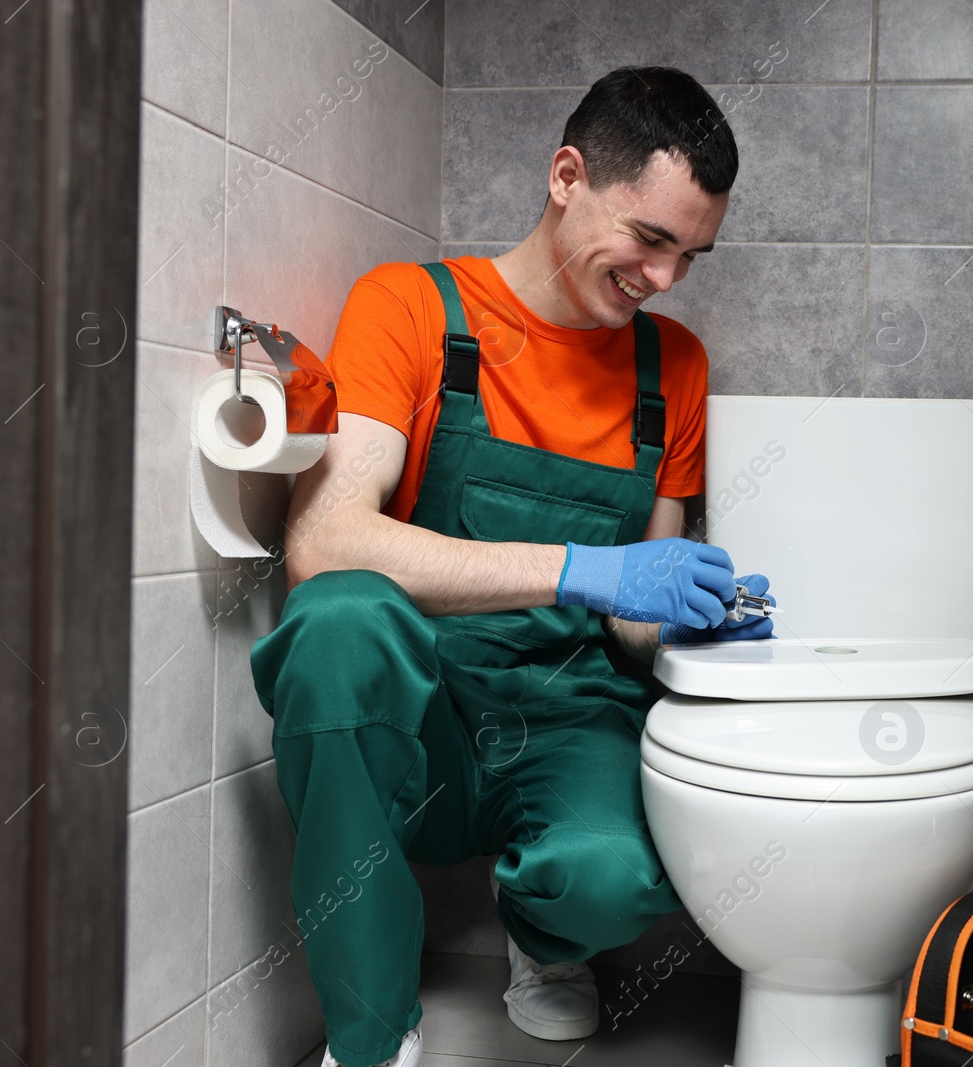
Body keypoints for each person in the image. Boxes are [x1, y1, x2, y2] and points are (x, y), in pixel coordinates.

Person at [249, 66, 775, 1067]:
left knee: (611, 879)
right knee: (335, 621)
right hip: (420, 713)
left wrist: (681, 613)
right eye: (649, 238)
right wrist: (589, 566)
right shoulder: (410, 306)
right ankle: (372, 1037)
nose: (662, 278)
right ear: (566, 175)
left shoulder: (676, 367)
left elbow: (630, 612)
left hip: (569, 712)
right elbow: (324, 544)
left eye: (690, 256)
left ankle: (544, 937)